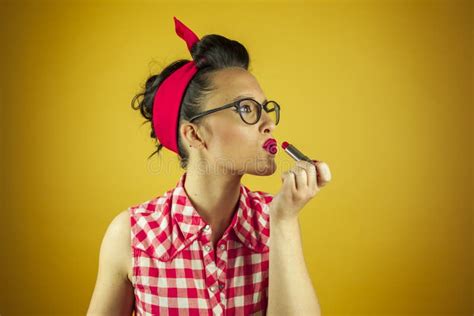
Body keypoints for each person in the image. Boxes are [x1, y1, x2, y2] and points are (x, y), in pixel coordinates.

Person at [87, 17, 330, 315]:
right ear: (195, 134)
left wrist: (284, 222)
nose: (268, 123)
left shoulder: (274, 220)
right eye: (246, 109)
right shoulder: (131, 236)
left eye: (266, 109)